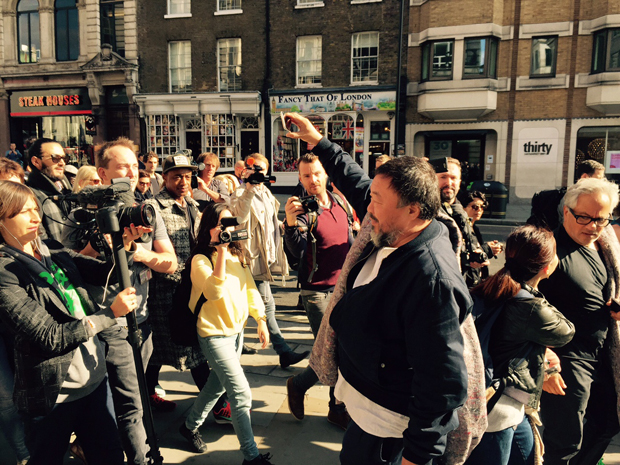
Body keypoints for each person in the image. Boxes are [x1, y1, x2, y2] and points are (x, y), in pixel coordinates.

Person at [284, 112, 470, 465]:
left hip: (389, 435)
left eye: (376, 201)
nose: (367, 208)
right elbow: (357, 183)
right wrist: (318, 142)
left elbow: (442, 382)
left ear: (413, 209)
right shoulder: (396, 224)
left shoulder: (431, 279)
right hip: (364, 415)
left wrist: (416, 456)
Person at [0, 180, 141, 465]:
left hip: (94, 381)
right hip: (52, 395)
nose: (35, 217)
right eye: (23, 212)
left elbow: (107, 274)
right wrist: (110, 314)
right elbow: (49, 336)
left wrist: (124, 246)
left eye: (35, 209)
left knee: (111, 457)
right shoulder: (5, 270)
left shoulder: (51, 248)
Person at [66, 138, 178, 465]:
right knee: (125, 403)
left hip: (140, 319)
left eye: (134, 166)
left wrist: (136, 251)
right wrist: (104, 242)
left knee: (134, 398)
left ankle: (101, 445)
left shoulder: (145, 209)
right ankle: (139, 457)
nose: (130, 173)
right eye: (122, 167)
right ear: (103, 173)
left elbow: (169, 262)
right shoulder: (79, 213)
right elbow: (70, 263)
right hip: (104, 319)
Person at [465, 225, 575, 465]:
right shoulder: (530, 305)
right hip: (498, 410)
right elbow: (565, 332)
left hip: (503, 403)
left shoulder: (493, 287)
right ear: (546, 267)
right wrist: (536, 292)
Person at [179, 202, 273, 465]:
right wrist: (219, 252)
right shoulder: (200, 259)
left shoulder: (238, 255)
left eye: (230, 223)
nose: (226, 229)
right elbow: (213, 292)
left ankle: (188, 426)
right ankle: (251, 457)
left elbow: (251, 289)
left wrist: (261, 319)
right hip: (213, 335)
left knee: (215, 385)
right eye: (220, 224)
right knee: (241, 393)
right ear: (208, 227)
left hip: (236, 333)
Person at [538, 177, 620, 465]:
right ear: (566, 212)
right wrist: (544, 361)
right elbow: (518, 306)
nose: (592, 226)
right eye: (583, 217)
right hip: (566, 360)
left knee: (608, 424)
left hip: (603, 354)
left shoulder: (605, 247)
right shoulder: (548, 250)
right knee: (565, 444)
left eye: (601, 219)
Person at [143, 154, 227, 421]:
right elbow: (150, 253)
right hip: (164, 292)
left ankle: (148, 392)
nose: (183, 181)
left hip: (190, 287)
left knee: (175, 347)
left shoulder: (191, 203)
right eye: (176, 176)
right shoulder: (153, 208)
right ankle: (218, 403)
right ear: (164, 178)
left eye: (187, 176)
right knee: (185, 347)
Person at [284, 152, 353, 430]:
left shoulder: (340, 202)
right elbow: (297, 252)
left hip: (345, 289)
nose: (312, 180)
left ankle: (317, 395)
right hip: (316, 292)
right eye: (306, 175)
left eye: (316, 173)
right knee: (331, 352)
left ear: (326, 174)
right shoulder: (303, 211)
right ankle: (332, 406)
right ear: (300, 178)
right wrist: (289, 225)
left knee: (340, 351)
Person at [230, 153, 309, 368]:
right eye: (253, 169)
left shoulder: (266, 192)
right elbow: (239, 219)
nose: (257, 174)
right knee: (267, 306)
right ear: (245, 170)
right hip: (250, 260)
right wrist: (247, 189)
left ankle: (234, 347)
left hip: (264, 257)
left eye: (261, 171)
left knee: (245, 307)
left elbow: (269, 223)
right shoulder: (240, 192)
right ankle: (283, 351)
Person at [436, 158, 490, 287]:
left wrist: (475, 256)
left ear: (459, 182)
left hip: (466, 284)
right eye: (443, 177)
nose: (448, 182)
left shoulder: (460, 210)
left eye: (453, 178)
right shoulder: (427, 212)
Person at [527, 159, 605, 230]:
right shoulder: (573, 197)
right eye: (599, 178)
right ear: (584, 177)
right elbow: (568, 227)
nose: (602, 182)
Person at [26, 138, 73, 242]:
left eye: (64, 158)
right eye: (55, 158)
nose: (62, 163)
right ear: (36, 161)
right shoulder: (30, 197)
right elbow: (41, 244)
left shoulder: (68, 190)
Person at [461, 190, 503, 280]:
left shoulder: (475, 228)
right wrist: (486, 249)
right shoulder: (459, 228)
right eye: (475, 207)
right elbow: (465, 255)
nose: (479, 210)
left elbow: (478, 252)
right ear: (463, 208)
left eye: (482, 207)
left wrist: (491, 250)